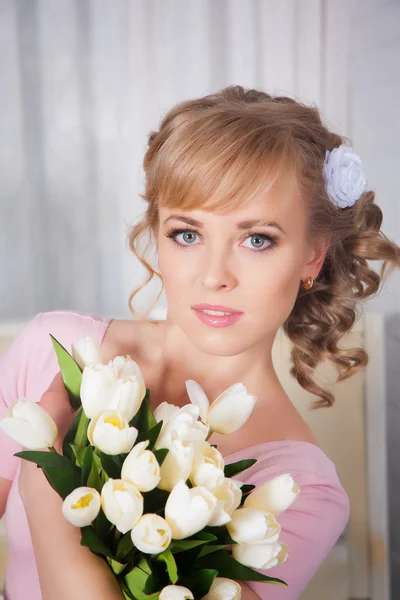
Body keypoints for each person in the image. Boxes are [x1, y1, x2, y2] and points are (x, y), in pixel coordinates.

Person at [1, 85, 399, 600]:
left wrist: (44, 475)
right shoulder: (51, 349)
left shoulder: (299, 491)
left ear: (312, 256)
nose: (214, 276)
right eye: (187, 233)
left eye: (257, 239)